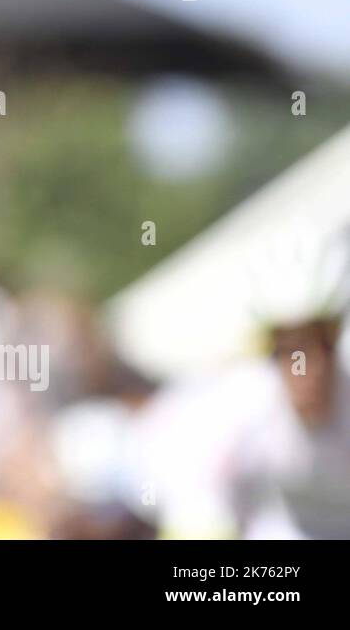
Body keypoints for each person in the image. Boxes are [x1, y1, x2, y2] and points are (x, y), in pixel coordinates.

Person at [133, 227, 350, 539]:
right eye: (286, 351)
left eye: (320, 344)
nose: (305, 367)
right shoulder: (238, 407)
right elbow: (195, 503)